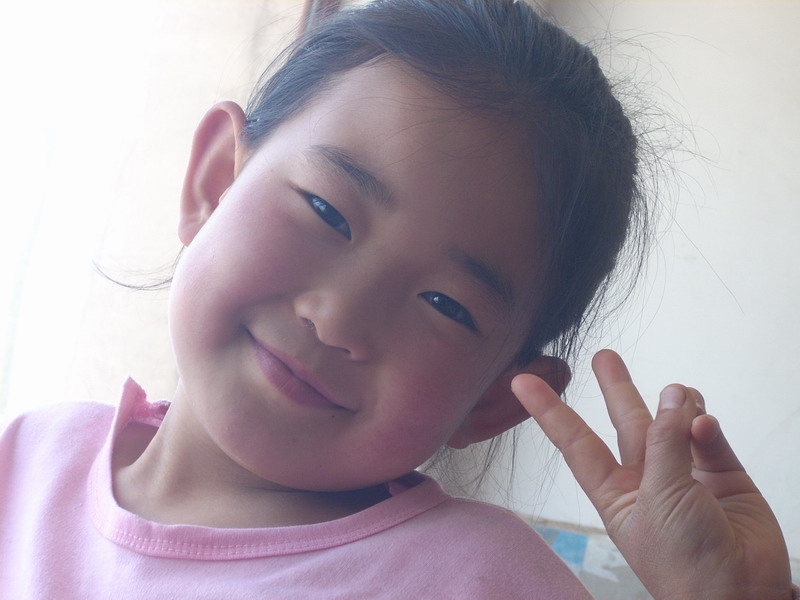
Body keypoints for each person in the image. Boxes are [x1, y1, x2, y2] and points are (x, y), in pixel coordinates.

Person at [0, 0, 794, 598]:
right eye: (327, 210)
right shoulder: (29, 458)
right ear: (214, 182)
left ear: (496, 398)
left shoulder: (481, 581)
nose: (337, 318)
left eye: (446, 304)